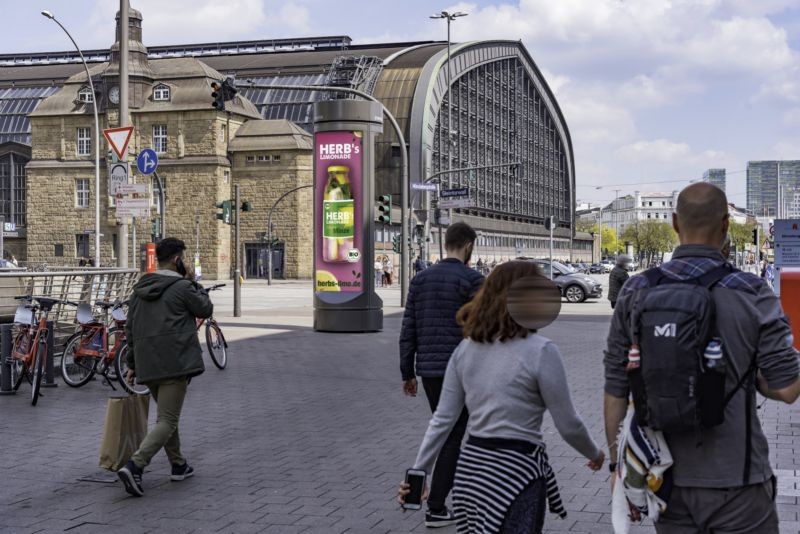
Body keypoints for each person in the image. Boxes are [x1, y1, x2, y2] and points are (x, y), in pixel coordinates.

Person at [604, 183, 800, 533]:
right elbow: (786, 389)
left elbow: (616, 388)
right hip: (738, 483)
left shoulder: (636, 290)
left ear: (675, 223)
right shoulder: (752, 291)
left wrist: (619, 468)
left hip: (665, 481)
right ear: (726, 225)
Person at [399, 261, 605, 532]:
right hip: (517, 473)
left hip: (470, 471)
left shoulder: (465, 349)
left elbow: (442, 420)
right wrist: (595, 453)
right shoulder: (541, 351)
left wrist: (420, 472)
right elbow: (568, 423)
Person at [399, 222, 484, 527]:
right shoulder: (473, 279)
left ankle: (435, 496)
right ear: (469, 246)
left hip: (430, 371)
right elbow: (483, 329)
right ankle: (435, 506)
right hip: (461, 370)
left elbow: (408, 329)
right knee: (453, 435)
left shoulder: (420, 280)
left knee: (444, 429)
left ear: (445, 243)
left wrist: (407, 372)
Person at [117, 237, 214, 497]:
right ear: (177, 259)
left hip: (149, 363)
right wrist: (194, 282)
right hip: (175, 361)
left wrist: (132, 364)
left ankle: (178, 465)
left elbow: (130, 329)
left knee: (166, 418)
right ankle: (135, 465)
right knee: (168, 419)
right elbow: (205, 308)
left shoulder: (140, 289)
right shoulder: (182, 286)